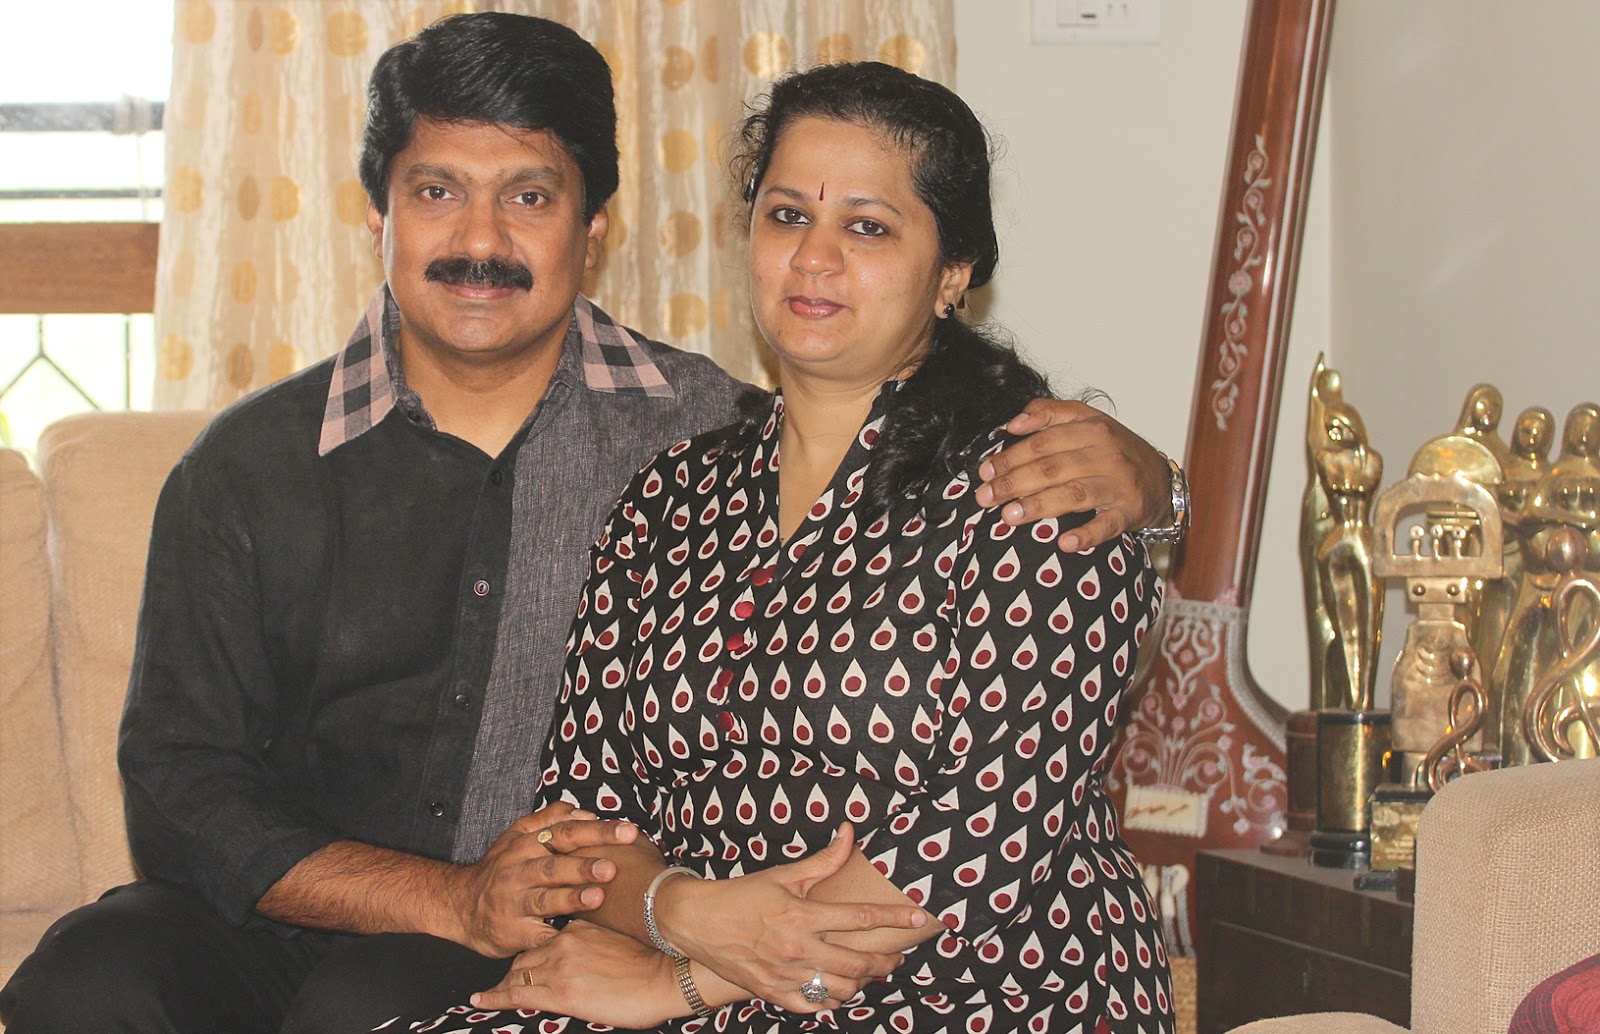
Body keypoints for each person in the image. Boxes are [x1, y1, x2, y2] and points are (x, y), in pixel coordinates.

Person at [0, 14, 1179, 1034]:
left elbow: (985, 819)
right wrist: (653, 915)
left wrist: (1155, 480)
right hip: (393, 915)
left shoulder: (724, 430)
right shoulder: (275, 466)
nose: (479, 239)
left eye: (527, 196)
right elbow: (189, 782)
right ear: (376, 216)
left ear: (593, 227)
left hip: (904, 968)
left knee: (373, 1008)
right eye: (436, 191)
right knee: (87, 974)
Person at [390, 60, 1173, 1034]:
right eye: (788, 215)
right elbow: (579, 819)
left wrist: (681, 983)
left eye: (868, 226)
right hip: (695, 962)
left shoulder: (1042, 484)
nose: (814, 258)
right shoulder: (670, 497)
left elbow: (983, 835)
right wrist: (676, 910)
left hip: (973, 987)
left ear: (954, 270)